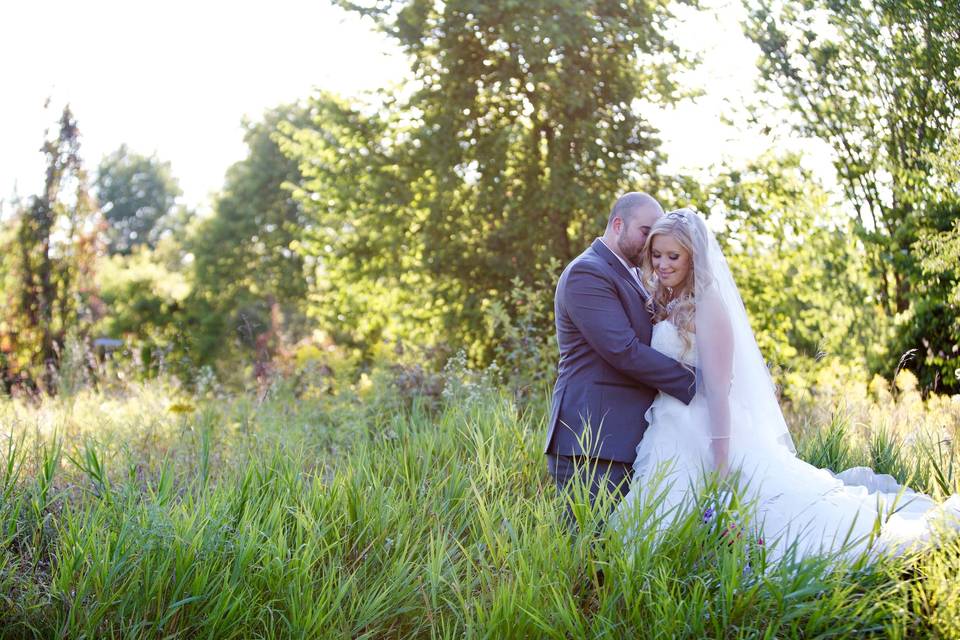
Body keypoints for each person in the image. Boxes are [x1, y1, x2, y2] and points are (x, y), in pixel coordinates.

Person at [616, 208, 960, 563]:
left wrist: (720, 459)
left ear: (694, 256)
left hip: (705, 433)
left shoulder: (710, 305)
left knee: (777, 520)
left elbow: (719, 390)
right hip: (670, 429)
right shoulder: (667, 300)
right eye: (656, 255)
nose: (662, 264)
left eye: (673, 256)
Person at [545, 192, 696, 527]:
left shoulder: (631, 274)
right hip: (592, 444)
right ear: (617, 224)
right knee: (588, 557)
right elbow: (623, 351)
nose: (651, 241)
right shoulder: (588, 273)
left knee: (617, 559)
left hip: (621, 442)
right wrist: (698, 383)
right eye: (645, 231)